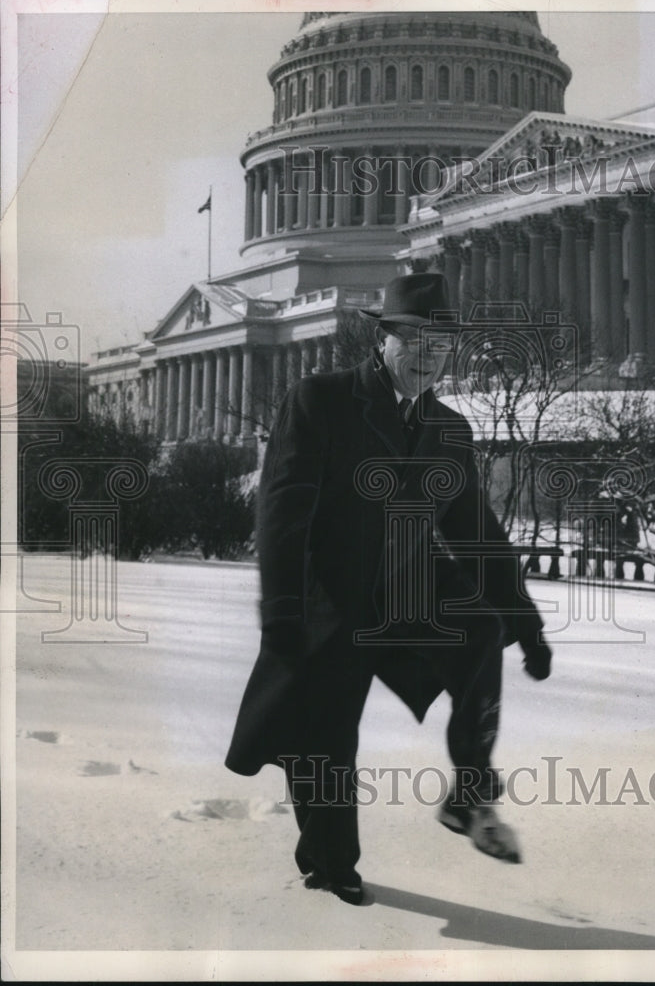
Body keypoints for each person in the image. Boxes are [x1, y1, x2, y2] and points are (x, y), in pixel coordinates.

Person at [225, 272, 552, 905]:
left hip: (406, 595)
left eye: (441, 348)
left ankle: (470, 796)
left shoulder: (449, 432)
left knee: (481, 625)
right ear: (385, 340)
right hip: (330, 601)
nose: (429, 358)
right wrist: (283, 609)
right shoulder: (319, 401)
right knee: (324, 738)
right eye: (417, 342)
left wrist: (526, 623)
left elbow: (477, 535)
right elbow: (282, 513)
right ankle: (328, 862)